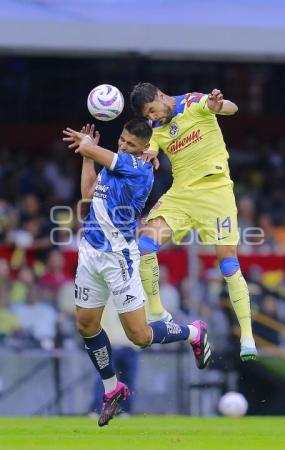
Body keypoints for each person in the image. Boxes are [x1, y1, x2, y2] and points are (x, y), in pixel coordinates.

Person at [62, 120, 211, 427]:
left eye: (130, 144)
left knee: (140, 336)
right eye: (121, 140)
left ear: (145, 148)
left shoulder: (139, 169)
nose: (123, 145)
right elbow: (89, 193)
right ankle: (111, 388)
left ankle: (194, 331)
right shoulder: (114, 163)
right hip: (90, 252)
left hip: (119, 258)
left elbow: (112, 157)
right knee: (86, 324)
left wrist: (88, 145)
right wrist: (87, 156)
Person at [130, 83, 257, 361]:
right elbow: (150, 148)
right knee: (145, 244)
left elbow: (231, 108)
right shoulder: (156, 129)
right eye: (147, 115)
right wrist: (149, 155)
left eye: (152, 110)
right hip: (181, 195)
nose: (153, 117)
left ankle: (247, 335)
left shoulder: (193, 102)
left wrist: (217, 106)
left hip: (215, 191)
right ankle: (158, 312)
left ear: (161, 96)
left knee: (227, 262)